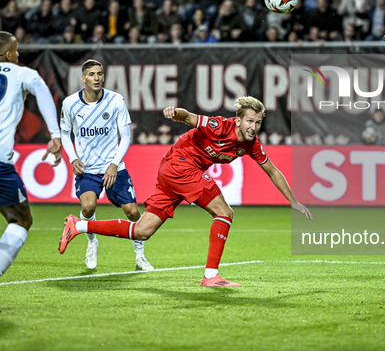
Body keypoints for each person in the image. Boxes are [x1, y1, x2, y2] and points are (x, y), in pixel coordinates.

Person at [60, 96, 312, 286]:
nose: (253, 126)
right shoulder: (219, 126)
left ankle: (78, 226)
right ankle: (211, 274)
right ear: (238, 119)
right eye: (249, 121)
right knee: (224, 212)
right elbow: (188, 117)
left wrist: (293, 201)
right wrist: (175, 112)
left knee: (143, 230)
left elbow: (273, 171)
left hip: (174, 172)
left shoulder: (251, 144)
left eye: (258, 122)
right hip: (180, 166)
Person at [59, 59, 154, 271]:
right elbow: (65, 134)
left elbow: (126, 136)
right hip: (88, 169)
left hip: (114, 166)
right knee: (88, 206)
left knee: (132, 211)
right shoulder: (70, 103)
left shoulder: (115, 100)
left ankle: (140, 257)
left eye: (100, 74)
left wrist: (114, 163)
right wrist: (73, 158)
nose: (97, 78)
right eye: (92, 74)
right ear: (83, 78)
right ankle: (92, 242)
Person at [0, 31, 62, 281]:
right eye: (16, 50)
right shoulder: (22, 73)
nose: (18, 54)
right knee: (20, 219)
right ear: (7, 55)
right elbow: (42, 92)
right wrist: (55, 134)